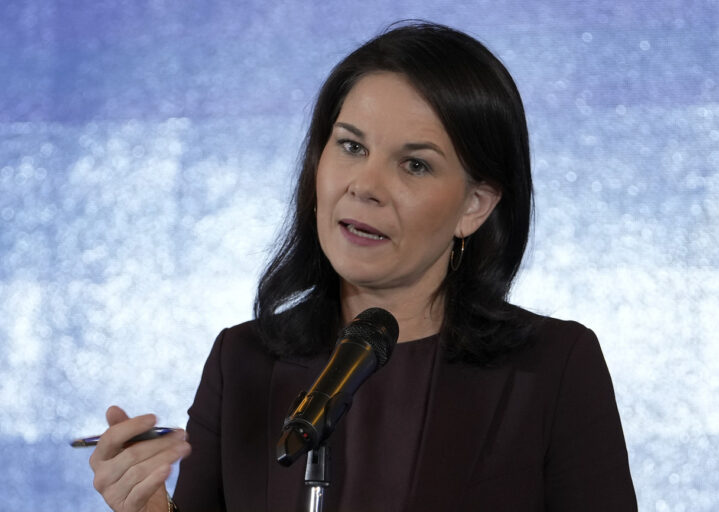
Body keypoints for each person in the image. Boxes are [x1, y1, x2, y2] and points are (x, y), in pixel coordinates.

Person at [89, 22, 637, 511]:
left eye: (414, 165)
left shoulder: (555, 367)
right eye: (351, 147)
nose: (366, 186)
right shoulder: (244, 362)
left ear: (475, 205)